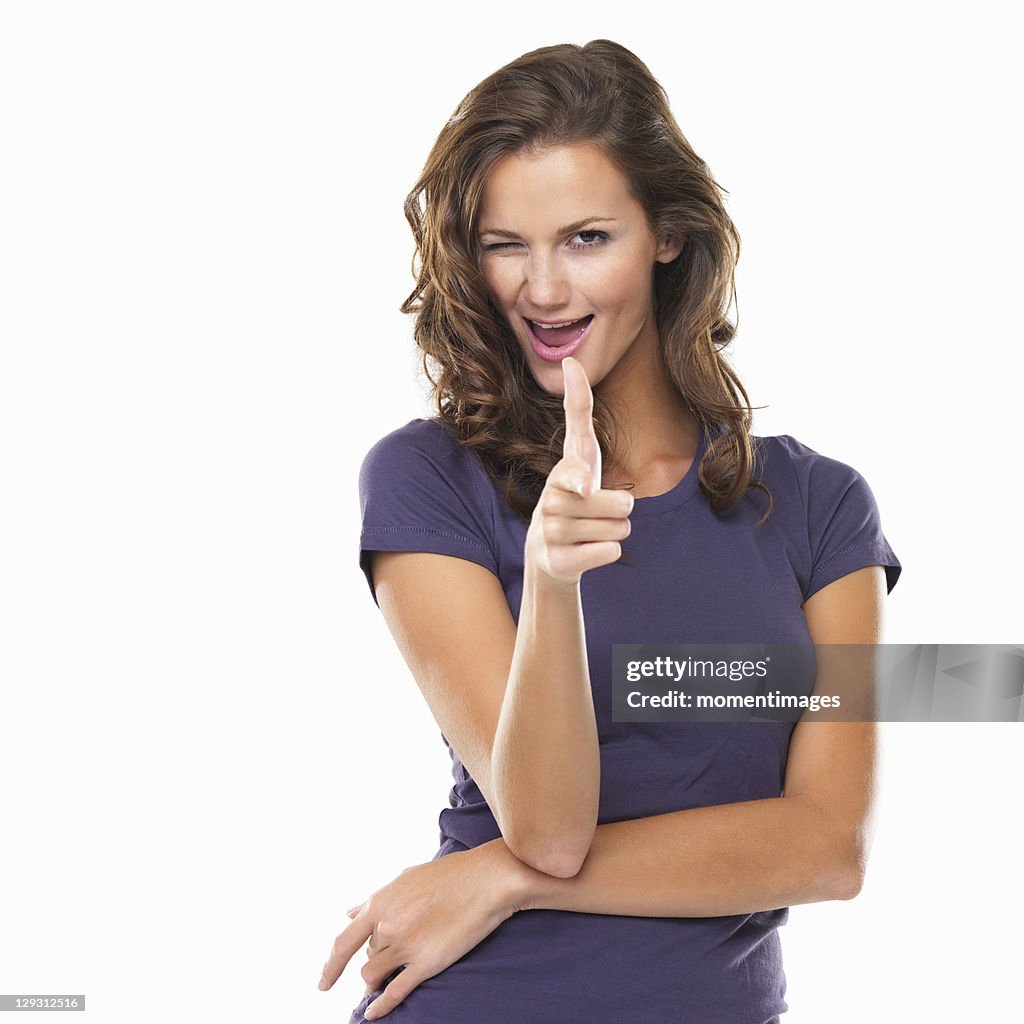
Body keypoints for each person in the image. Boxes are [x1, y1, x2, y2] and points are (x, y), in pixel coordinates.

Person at [318, 39, 902, 1024]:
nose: (542, 291)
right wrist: (551, 583)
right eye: (507, 243)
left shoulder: (820, 506)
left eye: (586, 238)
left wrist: (498, 881)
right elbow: (546, 828)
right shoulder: (427, 481)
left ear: (666, 235)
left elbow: (826, 848)